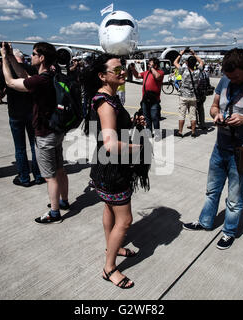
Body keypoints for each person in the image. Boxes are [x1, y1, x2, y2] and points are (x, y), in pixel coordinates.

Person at [183, 48, 243, 250]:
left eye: (236, 77)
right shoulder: (225, 80)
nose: (232, 81)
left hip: (242, 151)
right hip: (221, 147)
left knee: (234, 198)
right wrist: (216, 115)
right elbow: (214, 106)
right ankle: (205, 222)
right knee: (211, 190)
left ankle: (229, 231)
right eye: (228, 77)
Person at [82, 54, 147, 289]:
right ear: (102, 75)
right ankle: (109, 268)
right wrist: (139, 147)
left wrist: (133, 124)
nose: (122, 72)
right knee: (126, 220)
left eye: (123, 67)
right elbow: (110, 144)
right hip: (112, 169)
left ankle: (114, 247)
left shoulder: (109, 97)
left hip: (105, 167)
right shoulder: (105, 102)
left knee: (109, 208)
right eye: (116, 69)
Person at [1, 41, 69, 224]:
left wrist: (3, 60)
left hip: (45, 133)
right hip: (56, 130)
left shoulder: (41, 80)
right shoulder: (52, 74)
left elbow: (10, 81)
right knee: (60, 169)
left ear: (42, 57)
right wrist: (9, 57)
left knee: (50, 176)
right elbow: (24, 75)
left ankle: (55, 214)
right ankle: (64, 201)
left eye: (33, 54)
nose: (30, 56)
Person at [0, 48, 44, 187]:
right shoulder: (32, 69)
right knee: (34, 146)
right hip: (32, 112)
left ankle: (24, 177)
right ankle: (38, 175)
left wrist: (4, 91)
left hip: (15, 114)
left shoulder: (5, 71)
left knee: (20, 148)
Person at [129, 57, 164, 140]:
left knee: (154, 117)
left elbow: (157, 77)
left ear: (155, 65)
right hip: (145, 99)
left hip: (154, 99)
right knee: (146, 117)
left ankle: (157, 134)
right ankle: (148, 132)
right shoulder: (146, 73)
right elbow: (137, 75)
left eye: (150, 63)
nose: (148, 65)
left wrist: (152, 68)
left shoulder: (160, 72)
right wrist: (133, 69)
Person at [173, 49, 204, 137]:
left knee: (182, 114)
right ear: (195, 64)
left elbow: (175, 62)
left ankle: (180, 131)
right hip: (193, 96)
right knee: (193, 115)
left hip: (183, 96)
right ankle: (193, 132)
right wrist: (194, 54)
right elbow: (201, 62)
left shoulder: (184, 70)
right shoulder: (198, 72)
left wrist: (181, 54)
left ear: (187, 63)